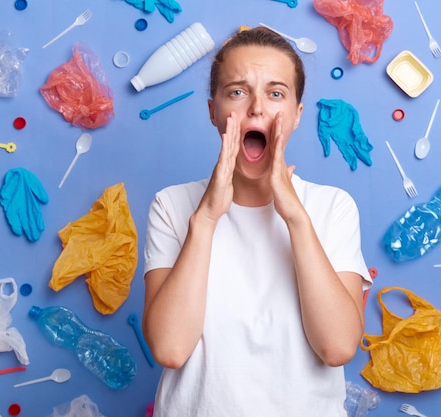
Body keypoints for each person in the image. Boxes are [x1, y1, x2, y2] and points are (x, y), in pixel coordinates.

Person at [142, 26, 372, 416]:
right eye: (237, 91)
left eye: (276, 93)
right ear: (213, 110)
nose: (257, 109)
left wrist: (296, 217)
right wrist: (207, 218)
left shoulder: (333, 207)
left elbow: (337, 348)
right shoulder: (172, 205)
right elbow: (170, 348)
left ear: (297, 115)